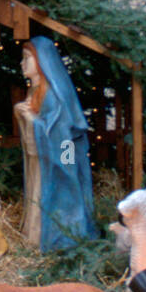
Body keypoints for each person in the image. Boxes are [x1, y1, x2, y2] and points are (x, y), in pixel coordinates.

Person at [15, 37, 98, 252]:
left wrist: (32, 120)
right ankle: (34, 237)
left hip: (61, 155)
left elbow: (62, 136)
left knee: (62, 188)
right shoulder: (34, 91)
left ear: (42, 61)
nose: (22, 64)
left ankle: (62, 237)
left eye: (27, 59)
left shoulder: (53, 95)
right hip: (41, 157)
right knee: (37, 191)